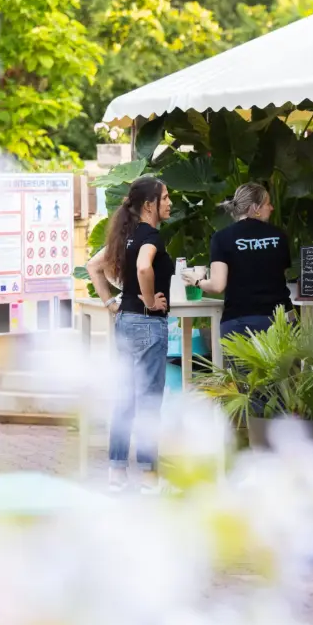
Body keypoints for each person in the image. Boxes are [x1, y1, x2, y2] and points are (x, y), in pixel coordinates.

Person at [87, 176, 173, 493]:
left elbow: (94, 266)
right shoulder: (150, 236)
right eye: (165, 197)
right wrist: (151, 302)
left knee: (124, 398)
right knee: (149, 400)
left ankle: (116, 473)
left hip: (125, 322)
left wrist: (110, 302)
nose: (169, 203)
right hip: (149, 325)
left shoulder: (126, 236)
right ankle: (150, 477)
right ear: (149, 204)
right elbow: (143, 268)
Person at [182, 183, 294, 338]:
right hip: (279, 320)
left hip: (240, 323)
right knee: (280, 364)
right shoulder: (279, 235)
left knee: (241, 364)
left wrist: (197, 281)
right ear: (255, 208)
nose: (272, 208)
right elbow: (280, 275)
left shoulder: (222, 238)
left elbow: (217, 285)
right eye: (267, 204)